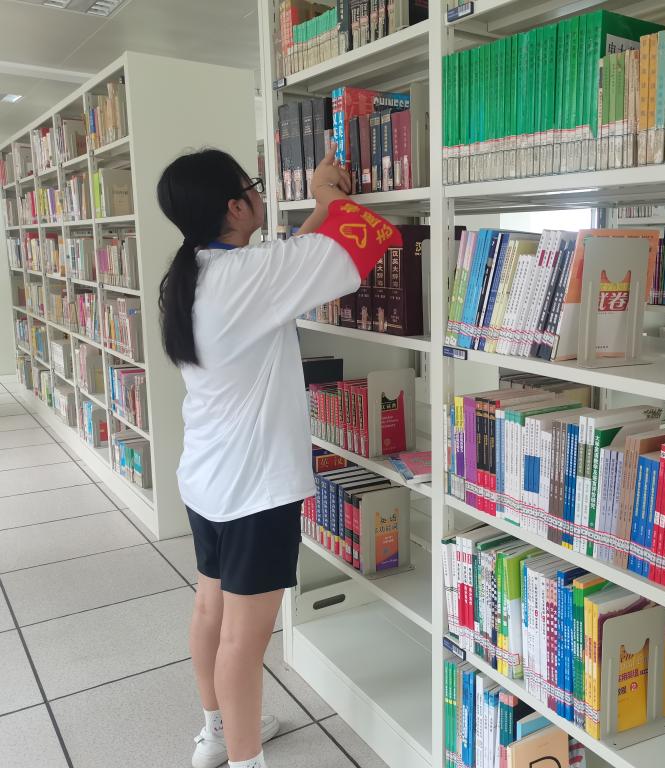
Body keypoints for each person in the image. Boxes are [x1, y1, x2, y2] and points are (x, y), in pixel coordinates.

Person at [156, 143, 401, 768]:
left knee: (209, 608)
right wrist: (329, 196)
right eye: (254, 187)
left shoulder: (195, 273)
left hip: (208, 479)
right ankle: (246, 760)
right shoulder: (247, 277)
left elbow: (295, 256)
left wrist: (320, 206)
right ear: (235, 207)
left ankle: (215, 732)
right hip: (254, 489)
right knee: (245, 638)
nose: (260, 195)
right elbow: (365, 240)